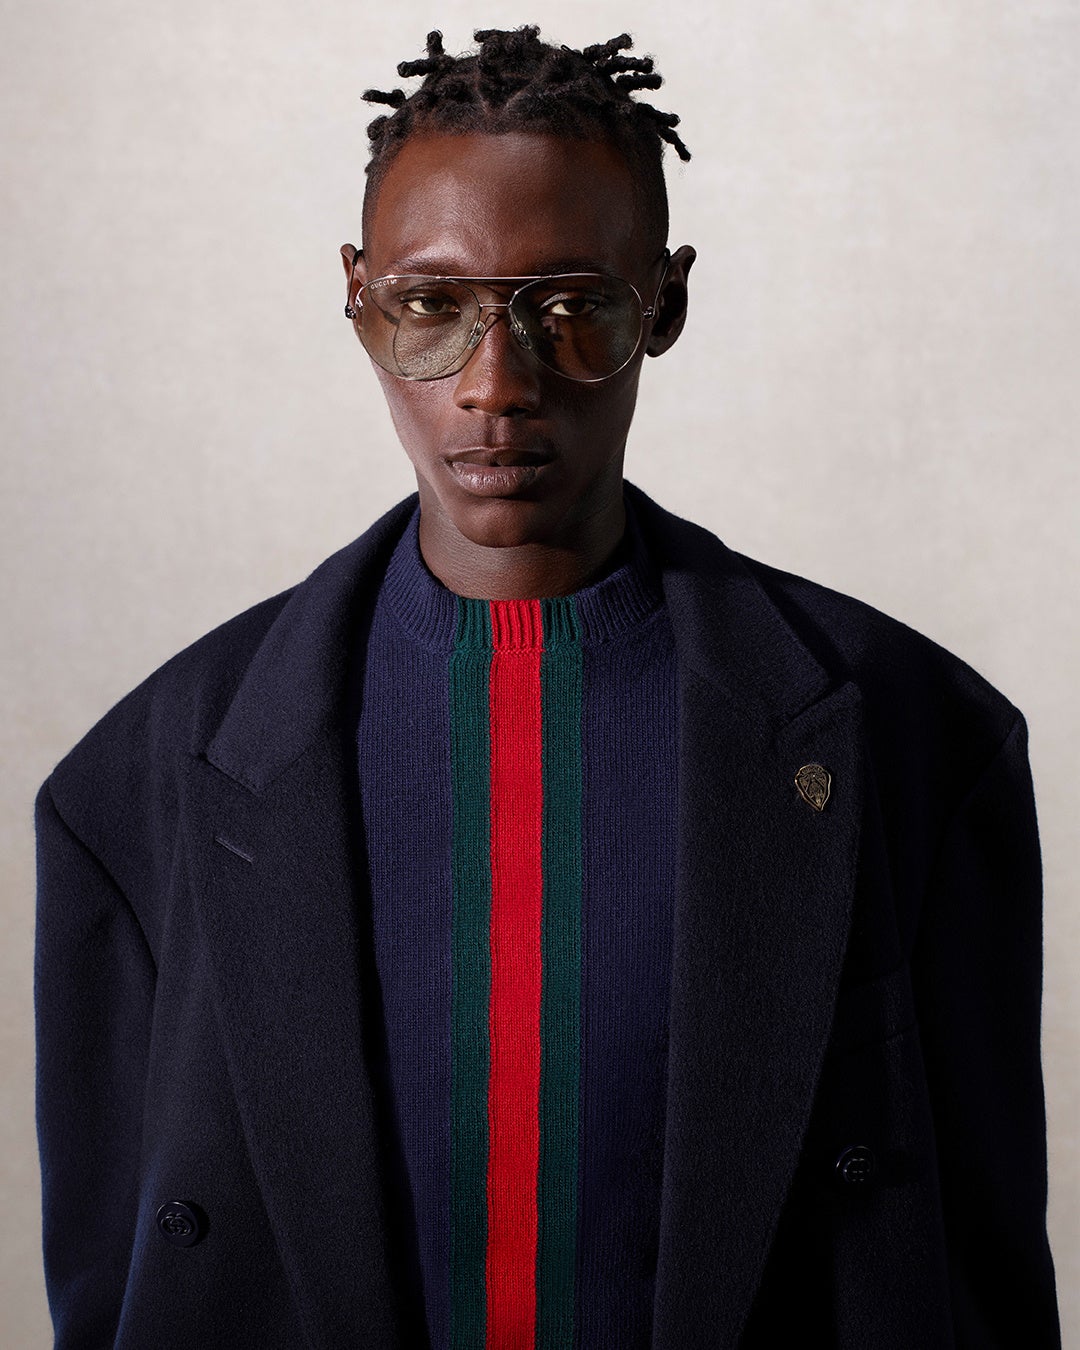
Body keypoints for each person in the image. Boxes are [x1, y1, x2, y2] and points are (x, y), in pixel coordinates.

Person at [33, 24, 1060, 1350]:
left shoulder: (915, 739)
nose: (495, 384)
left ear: (664, 302)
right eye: (430, 307)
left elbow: (980, 1271)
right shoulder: (139, 786)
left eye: (571, 305)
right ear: (358, 298)